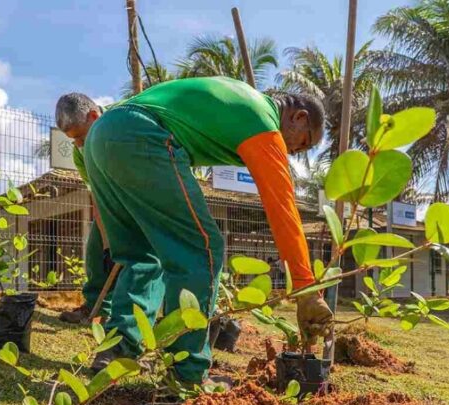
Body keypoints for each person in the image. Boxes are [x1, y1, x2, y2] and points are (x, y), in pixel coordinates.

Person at [83, 76, 333, 385]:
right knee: (202, 249)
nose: (295, 151)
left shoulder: (240, 98)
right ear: (299, 117)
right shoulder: (262, 123)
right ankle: (187, 374)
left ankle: (117, 351)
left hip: (100, 137)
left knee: (142, 255)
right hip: (142, 135)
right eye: (303, 143)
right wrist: (306, 289)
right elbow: (283, 209)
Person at [53, 93, 116, 324]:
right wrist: (108, 248)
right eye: (73, 140)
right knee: (96, 250)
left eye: (81, 137)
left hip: (148, 192)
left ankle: (128, 315)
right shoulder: (80, 154)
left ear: (94, 117)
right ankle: (96, 307)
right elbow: (97, 196)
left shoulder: (124, 121)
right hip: (113, 200)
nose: (79, 145)